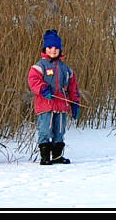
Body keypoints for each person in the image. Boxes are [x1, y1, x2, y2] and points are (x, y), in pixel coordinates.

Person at [28, 29, 81, 165]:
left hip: (62, 105)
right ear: (45, 48)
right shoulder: (39, 67)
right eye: (50, 47)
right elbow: (33, 80)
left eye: (56, 48)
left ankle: (57, 156)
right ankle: (45, 156)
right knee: (45, 129)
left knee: (59, 130)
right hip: (46, 104)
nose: (53, 50)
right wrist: (42, 88)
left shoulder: (66, 69)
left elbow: (72, 87)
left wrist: (75, 102)